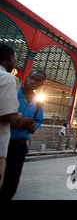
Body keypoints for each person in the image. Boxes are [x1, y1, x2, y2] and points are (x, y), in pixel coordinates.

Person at [0, 70, 46, 200]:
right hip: (4, 142)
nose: (33, 82)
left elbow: (38, 120)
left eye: (37, 80)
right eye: (31, 78)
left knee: (12, 181)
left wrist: (33, 126)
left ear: (41, 84)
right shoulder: (12, 93)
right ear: (26, 77)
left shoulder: (38, 102)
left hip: (19, 145)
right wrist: (20, 122)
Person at [0, 43, 22, 190]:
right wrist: (19, 117)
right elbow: (8, 115)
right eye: (15, 57)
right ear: (9, 58)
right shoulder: (8, 78)